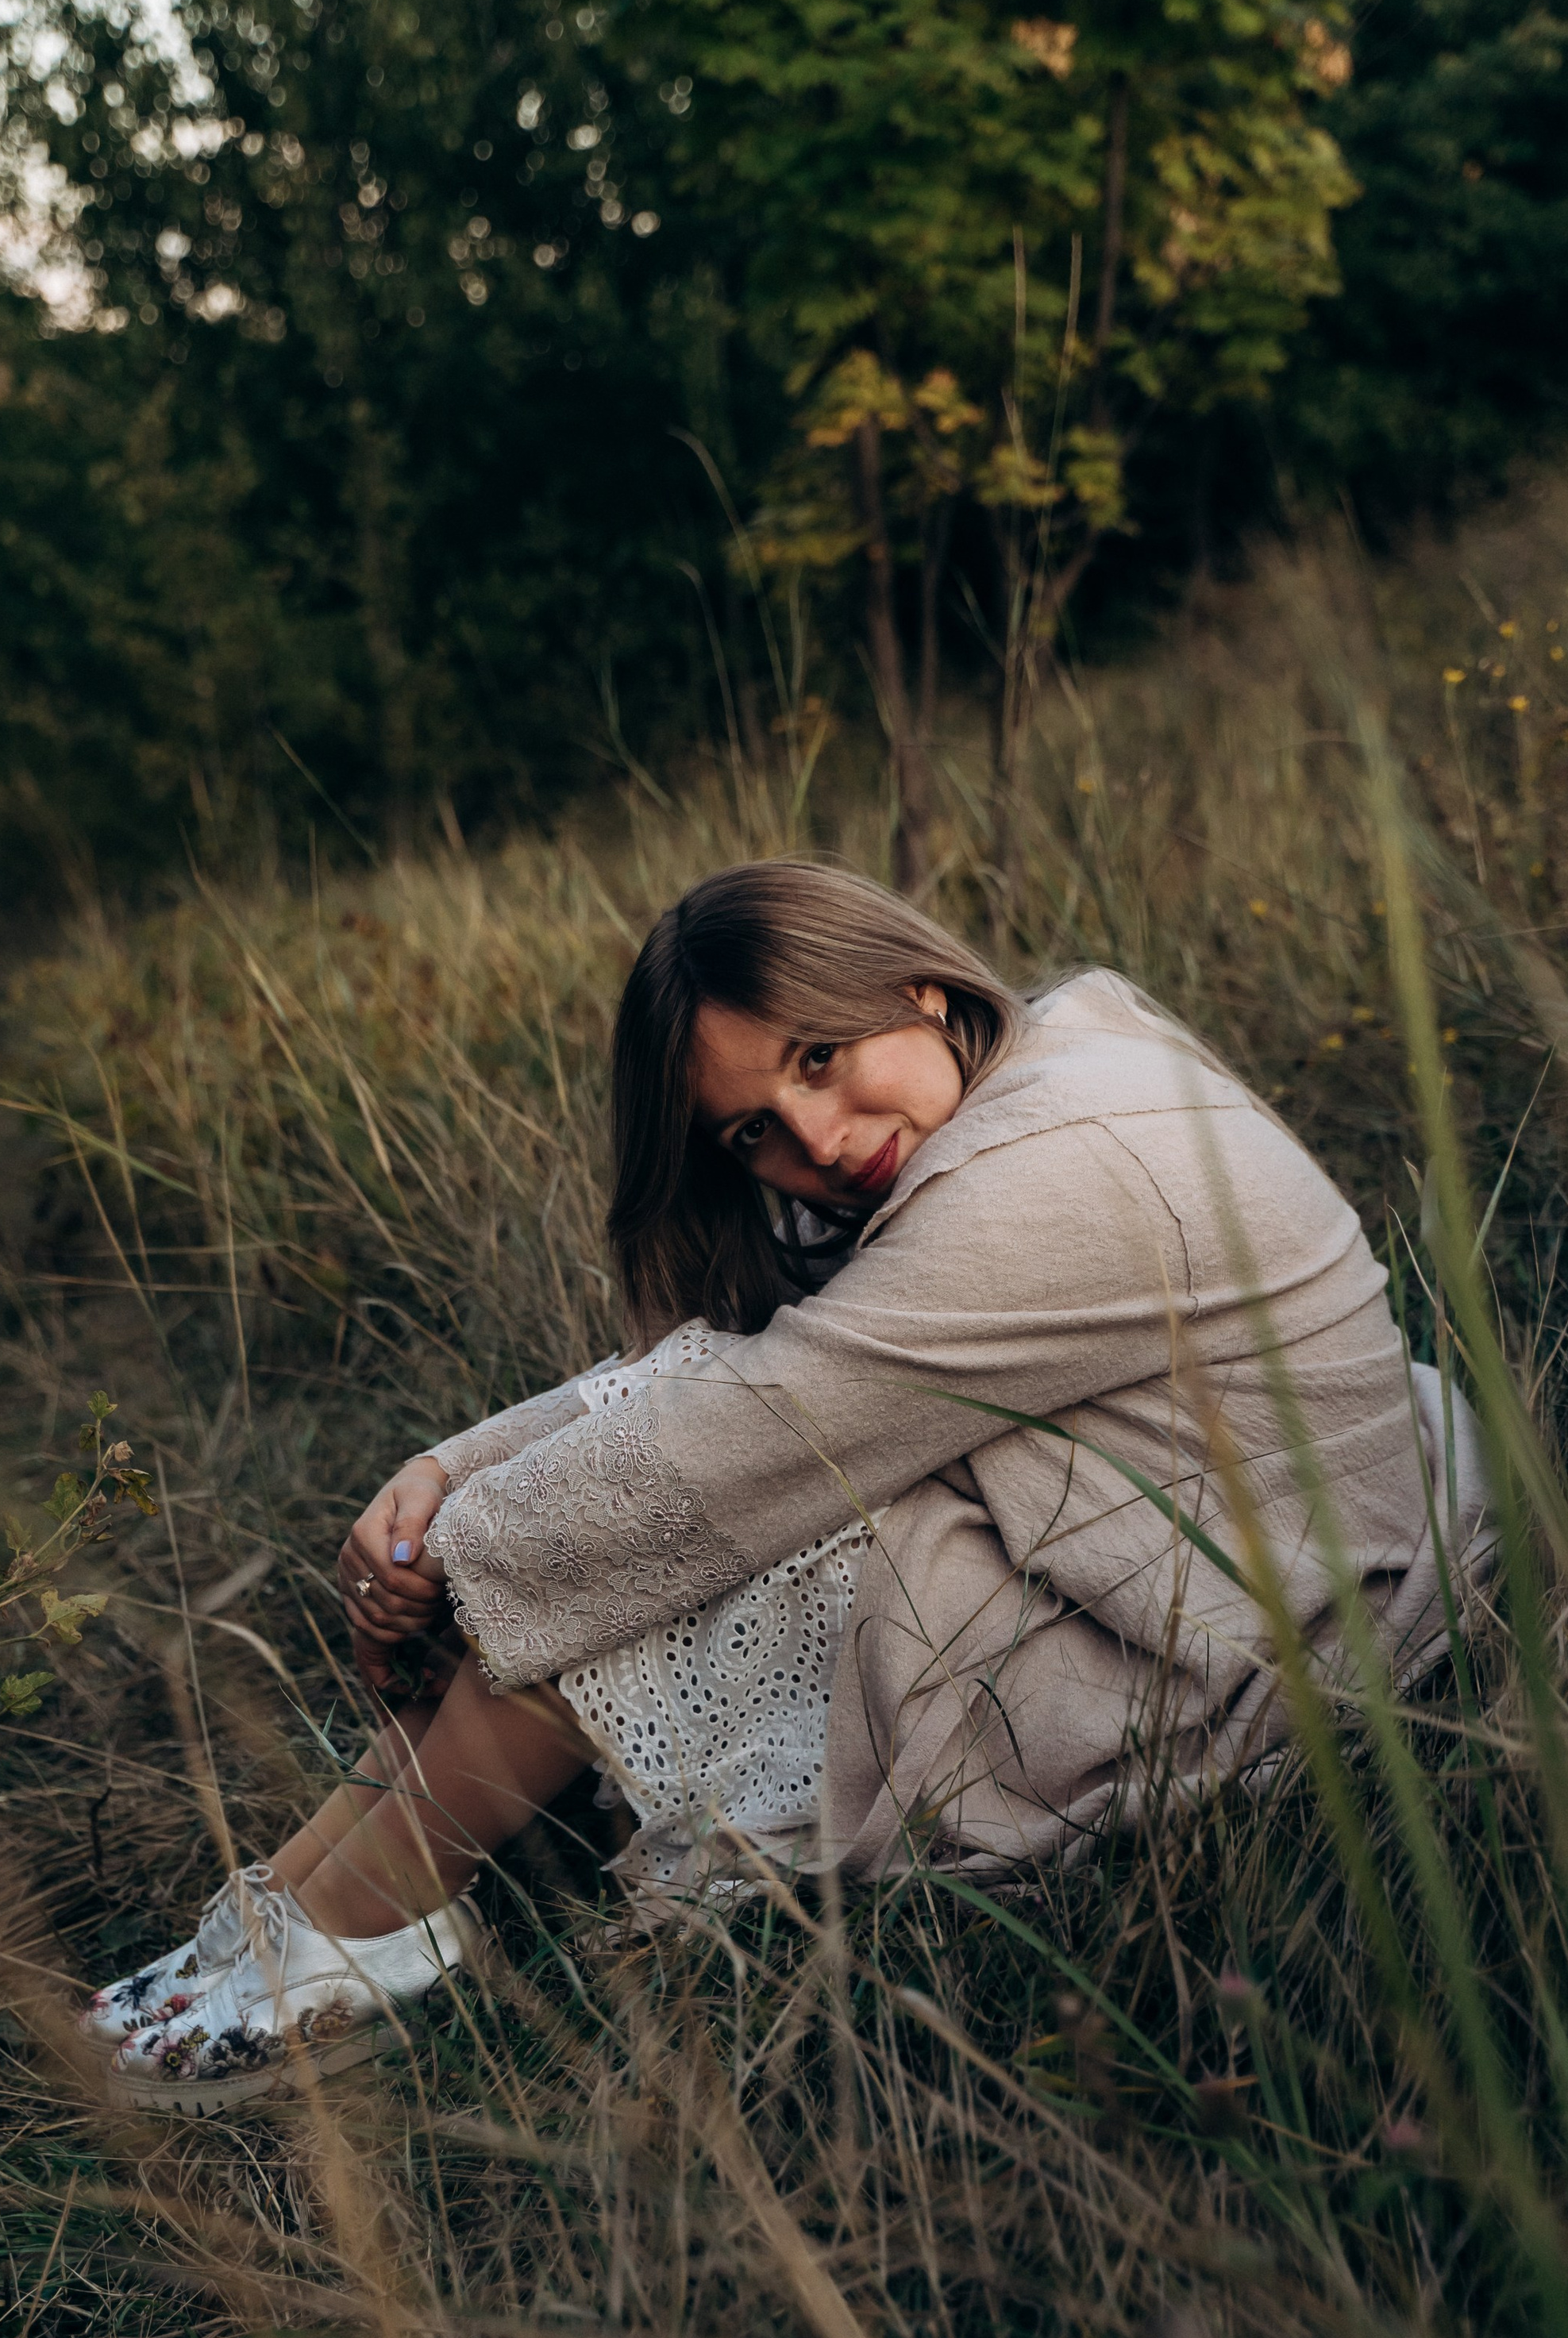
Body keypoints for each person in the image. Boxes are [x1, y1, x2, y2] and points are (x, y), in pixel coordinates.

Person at [87, 860, 1489, 2112]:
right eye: (751, 1127)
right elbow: (740, 1366)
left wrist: (457, 1553)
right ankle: (322, 1902)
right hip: (1174, 1542)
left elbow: (748, 1435)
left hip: (1260, 1627)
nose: (811, 1139)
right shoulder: (1026, 1073)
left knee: (707, 1526)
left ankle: (373, 1918)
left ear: (923, 989)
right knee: (666, 1504)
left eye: (821, 1057)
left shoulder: (1066, 1168)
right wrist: (452, 1472)